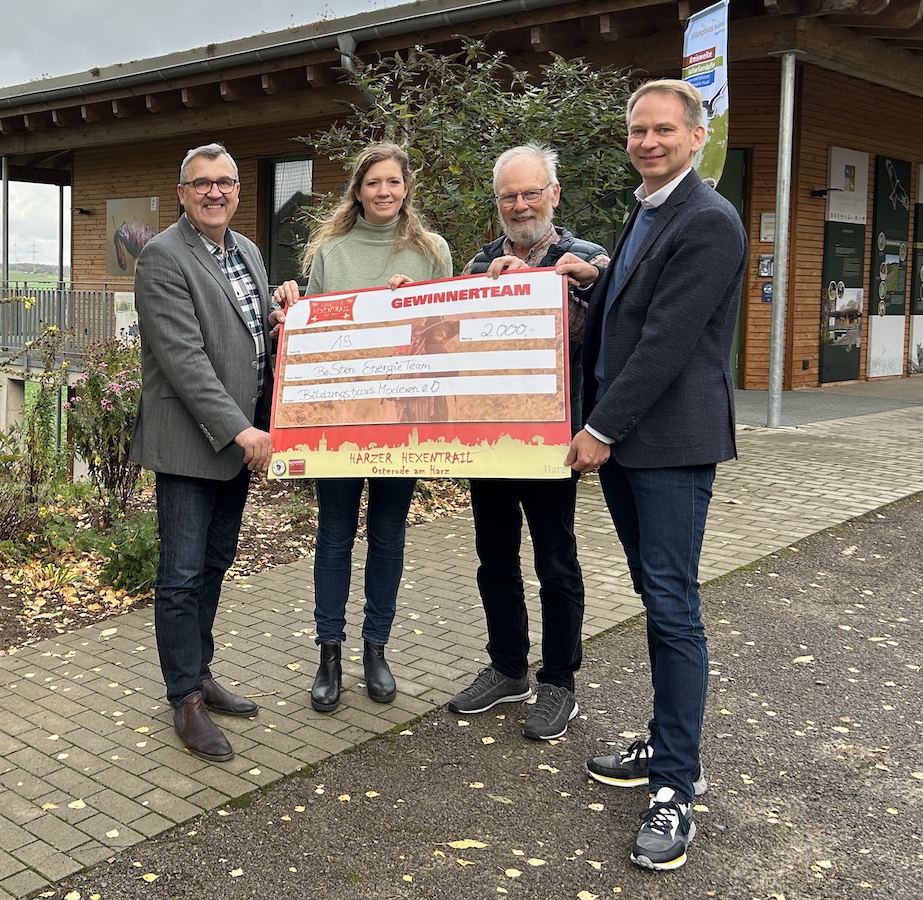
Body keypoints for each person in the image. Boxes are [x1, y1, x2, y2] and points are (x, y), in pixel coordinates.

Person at [564, 79, 748, 871]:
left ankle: (677, 783)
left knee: (672, 605)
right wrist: (589, 282)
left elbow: (668, 341)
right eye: (638, 130)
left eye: (664, 131)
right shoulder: (648, 210)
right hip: (632, 447)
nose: (648, 141)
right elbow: (630, 310)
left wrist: (599, 428)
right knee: (655, 596)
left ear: (697, 137)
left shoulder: (708, 220)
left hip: (663, 446)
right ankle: (666, 745)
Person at [271, 142, 452, 714]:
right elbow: (314, 333)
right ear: (357, 190)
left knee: (389, 536)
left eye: (394, 183)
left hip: (403, 420)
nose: (384, 192)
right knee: (332, 537)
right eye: (373, 183)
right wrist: (293, 301)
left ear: (406, 189)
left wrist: (419, 308)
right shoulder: (330, 252)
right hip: (340, 423)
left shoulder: (432, 252)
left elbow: (448, 334)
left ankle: (377, 649)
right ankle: (330, 654)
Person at [445, 143, 608, 741]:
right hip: (487, 438)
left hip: (552, 442)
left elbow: (616, 317)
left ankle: (559, 681)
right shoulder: (476, 265)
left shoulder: (587, 259)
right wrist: (408, 301)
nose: (519, 205)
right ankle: (508, 666)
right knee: (494, 557)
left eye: (530, 192)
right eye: (509, 196)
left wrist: (564, 281)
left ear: (553, 195)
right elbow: (448, 339)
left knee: (556, 561)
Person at [131, 142, 273, 763]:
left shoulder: (247, 252)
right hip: (193, 444)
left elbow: (253, 338)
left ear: (238, 190)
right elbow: (184, 360)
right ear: (183, 192)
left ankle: (201, 671)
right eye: (203, 183)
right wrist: (242, 431)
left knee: (215, 565)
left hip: (239, 443)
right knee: (182, 575)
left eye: (226, 182)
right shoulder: (163, 257)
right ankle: (184, 697)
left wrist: (287, 313)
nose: (216, 192)